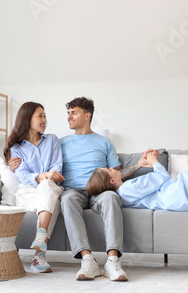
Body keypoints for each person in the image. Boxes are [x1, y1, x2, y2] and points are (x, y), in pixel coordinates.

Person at [59, 97, 154, 282]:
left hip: (100, 191)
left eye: (74, 112)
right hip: (74, 191)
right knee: (67, 199)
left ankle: (112, 261)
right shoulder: (60, 143)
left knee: (111, 197)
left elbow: (116, 174)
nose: (69, 117)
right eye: (68, 113)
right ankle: (88, 261)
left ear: (87, 115)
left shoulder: (104, 142)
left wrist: (137, 166)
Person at [3, 102, 65, 273]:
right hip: (28, 192)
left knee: (48, 188)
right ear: (27, 118)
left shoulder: (52, 140)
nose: (44, 119)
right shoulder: (17, 148)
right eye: (40, 115)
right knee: (53, 203)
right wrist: (43, 175)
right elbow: (22, 175)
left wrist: (47, 177)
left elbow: (57, 167)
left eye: (45, 116)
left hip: (51, 188)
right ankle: (39, 255)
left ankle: (40, 240)